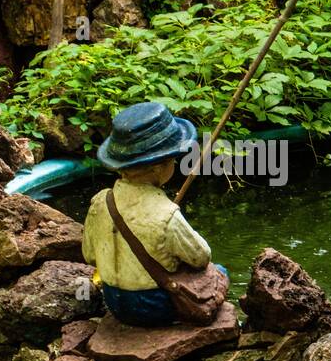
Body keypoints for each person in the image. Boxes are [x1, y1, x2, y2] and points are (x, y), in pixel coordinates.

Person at [83, 101, 225, 328]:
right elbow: (201, 257)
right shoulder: (166, 213)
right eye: (173, 159)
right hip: (151, 306)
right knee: (219, 272)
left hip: (114, 300)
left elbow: (90, 255)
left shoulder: (101, 201)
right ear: (160, 167)